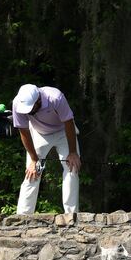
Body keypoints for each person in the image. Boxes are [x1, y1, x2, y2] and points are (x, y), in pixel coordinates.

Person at [12, 84, 81, 214]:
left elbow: (69, 123)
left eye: (30, 108)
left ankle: (72, 214)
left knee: (72, 167)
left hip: (63, 132)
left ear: (38, 101)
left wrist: (72, 152)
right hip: (39, 133)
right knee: (32, 171)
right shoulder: (17, 103)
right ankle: (23, 216)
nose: (27, 112)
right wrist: (33, 159)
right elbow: (24, 131)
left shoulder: (55, 97)